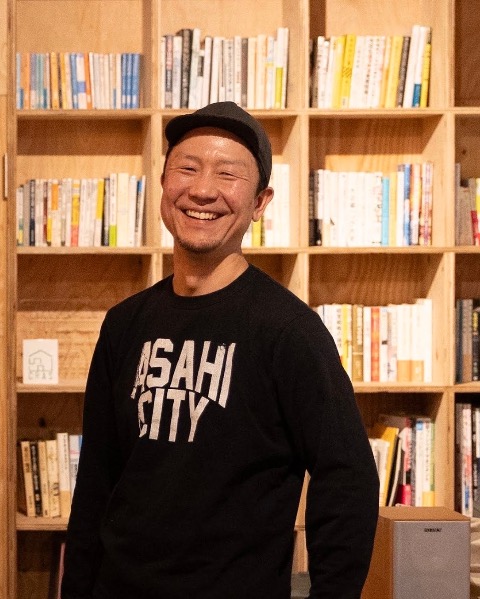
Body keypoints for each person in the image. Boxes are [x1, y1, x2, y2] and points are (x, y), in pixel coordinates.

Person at [61, 101, 379, 599]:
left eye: (228, 174)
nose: (203, 190)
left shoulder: (290, 332)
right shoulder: (124, 324)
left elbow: (347, 481)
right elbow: (97, 482)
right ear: (163, 184)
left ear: (259, 202)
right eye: (187, 169)